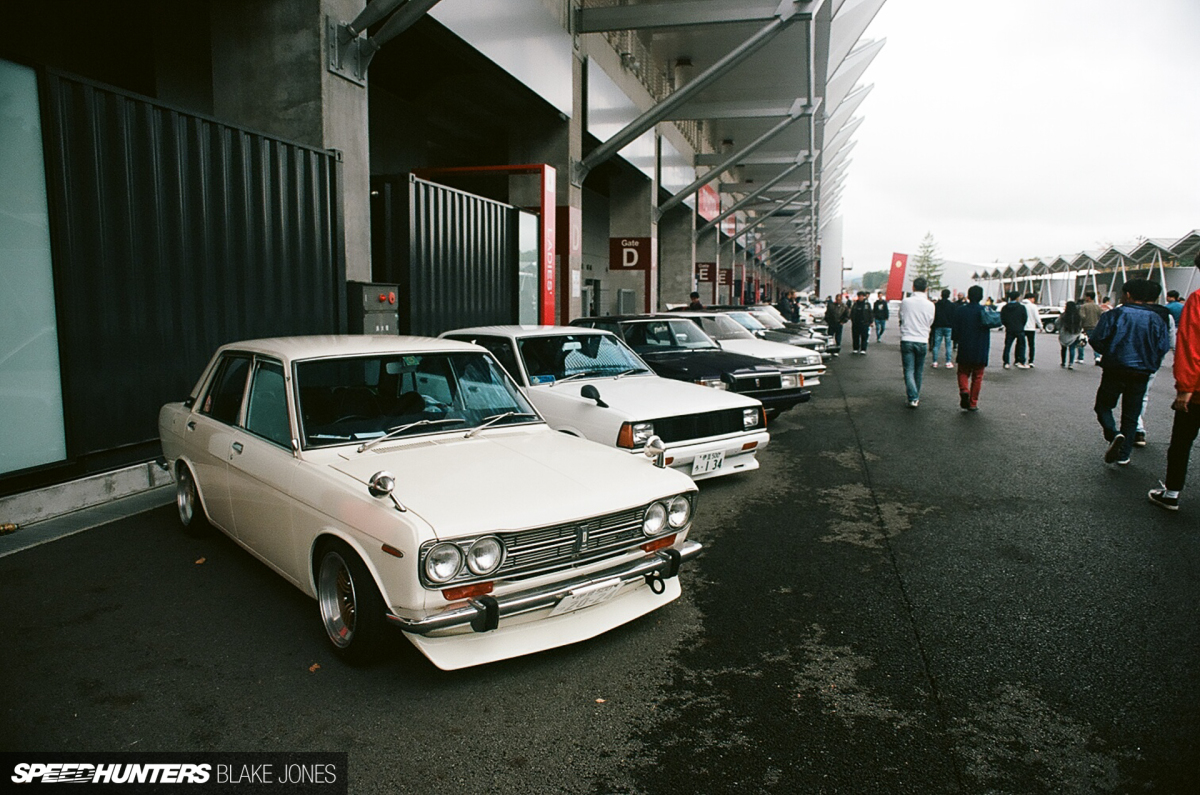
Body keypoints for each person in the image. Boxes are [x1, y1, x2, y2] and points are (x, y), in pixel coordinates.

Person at [1089, 278, 1173, 466]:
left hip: (1115, 369)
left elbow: (1096, 339)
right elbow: (1163, 346)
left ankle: (1113, 433)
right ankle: (1124, 454)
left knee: (1103, 406)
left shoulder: (1114, 314)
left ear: (1128, 294)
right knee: (1131, 414)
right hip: (1142, 372)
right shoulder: (1158, 318)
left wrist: (1110, 352)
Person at [1149, 254, 1200, 510]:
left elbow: (1191, 346)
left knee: (1181, 442)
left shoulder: (1198, 298)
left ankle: (1171, 493)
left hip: (1198, 391)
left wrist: (1185, 387)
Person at [952, 285, 998, 410]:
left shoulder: (961, 310)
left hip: (965, 345)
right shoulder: (984, 310)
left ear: (968, 295)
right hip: (981, 346)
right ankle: (973, 403)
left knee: (962, 372)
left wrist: (955, 339)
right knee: (978, 376)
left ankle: (964, 390)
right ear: (981, 297)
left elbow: (955, 329)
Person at [898, 277, 936, 407]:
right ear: (926, 289)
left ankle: (913, 396)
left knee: (908, 370)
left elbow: (901, 317)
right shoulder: (931, 305)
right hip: (922, 339)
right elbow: (931, 321)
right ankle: (915, 396)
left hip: (907, 338)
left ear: (913, 287)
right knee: (918, 370)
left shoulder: (906, 302)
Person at [999, 290, 1028, 369]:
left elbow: (1002, 318)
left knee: (1007, 346)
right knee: (1021, 345)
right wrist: (1021, 325)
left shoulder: (1005, 307)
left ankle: (1006, 362)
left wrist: (1007, 325)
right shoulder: (1021, 307)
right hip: (1019, 328)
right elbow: (1025, 318)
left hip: (1009, 329)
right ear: (1017, 298)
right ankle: (1020, 361)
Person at [930, 288, 955, 368]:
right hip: (948, 326)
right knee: (948, 345)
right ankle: (948, 362)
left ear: (941, 295)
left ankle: (934, 362)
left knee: (936, 345)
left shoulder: (936, 305)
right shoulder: (952, 305)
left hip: (938, 326)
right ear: (948, 295)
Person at [1079, 291, 1104, 365]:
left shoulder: (1084, 306)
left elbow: (1082, 317)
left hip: (1086, 327)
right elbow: (1102, 315)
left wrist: (1081, 325)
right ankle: (1097, 357)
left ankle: (1080, 358)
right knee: (1095, 342)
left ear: (1088, 297)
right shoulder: (1097, 307)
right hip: (1096, 327)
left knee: (1081, 342)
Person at [1058, 301, 1083, 369]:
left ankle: (1063, 362)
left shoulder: (1063, 315)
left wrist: (1059, 329)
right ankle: (1070, 363)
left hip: (1065, 333)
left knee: (1063, 348)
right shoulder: (1078, 316)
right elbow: (1080, 325)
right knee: (1072, 348)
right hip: (1075, 333)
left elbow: (1057, 322)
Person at [1021, 292, 1041, 367]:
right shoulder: (1033, 306)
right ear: (1030, 298)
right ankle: (1031, 361)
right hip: (1031, 328)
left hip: (1022, 327)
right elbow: (1037, 317)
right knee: (1031, 345)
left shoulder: (1021, 305)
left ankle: (1019, 359)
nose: (1033, 300)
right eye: (1033, 299)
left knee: (1021, 344)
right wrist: (1040, 326)